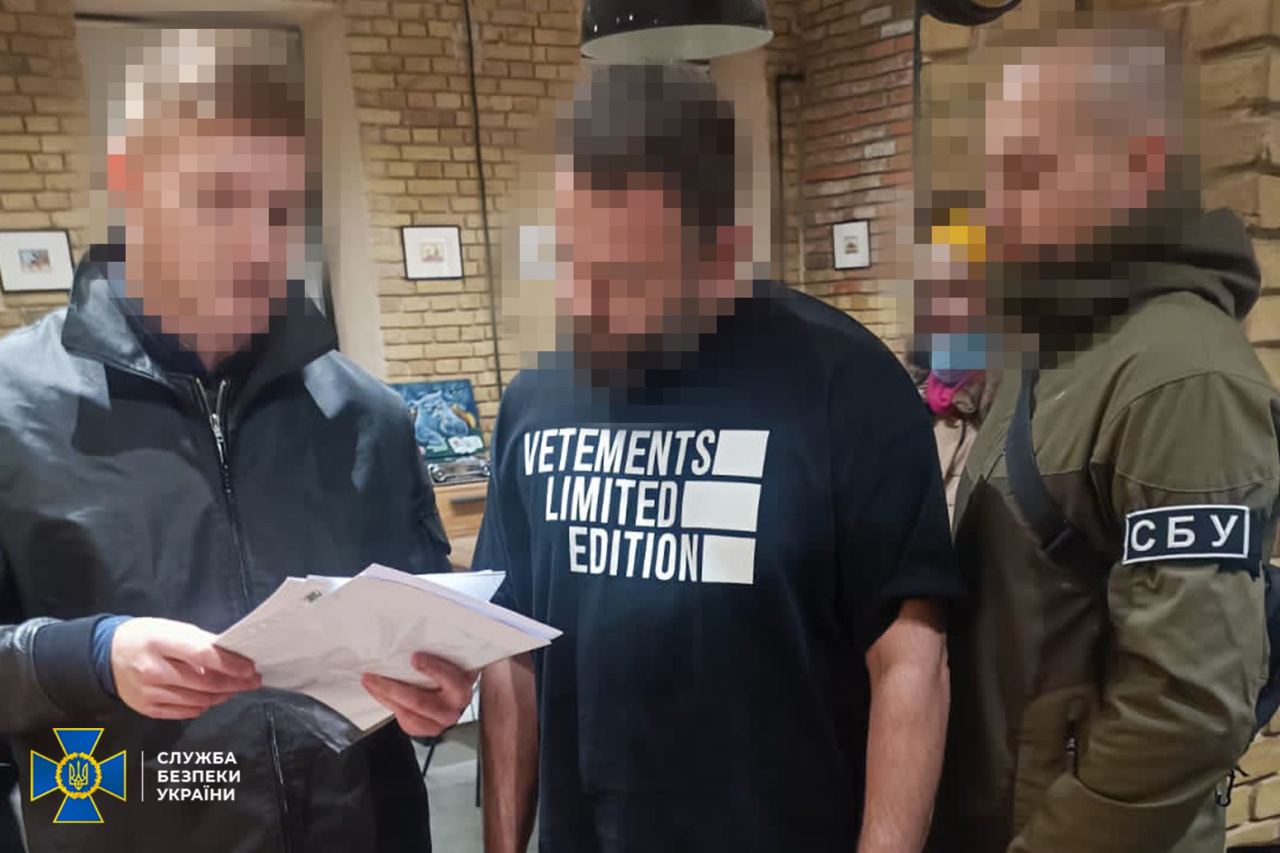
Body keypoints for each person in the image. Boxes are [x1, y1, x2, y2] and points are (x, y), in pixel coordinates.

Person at [0, 29, 475, 851]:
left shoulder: (369, 415)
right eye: (217, 198)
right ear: (129, 186)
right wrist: (92, 656)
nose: (258, 243)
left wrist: (436, 694)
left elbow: (423, 634)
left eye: (282, 210)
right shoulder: (14, 409)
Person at [476, 63, 961, 853]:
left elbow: (911, 660)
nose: (583, 303)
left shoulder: (846, 385)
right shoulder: (535, 400)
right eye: (568, 259)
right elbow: (512, 652)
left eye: (623, 274)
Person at [931, 24, 1280, 853]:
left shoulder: (1183, 375)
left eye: (1029, 171)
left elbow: (1187, 705)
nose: (995, 206)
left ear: (1141, 168)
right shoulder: (1056, 344)